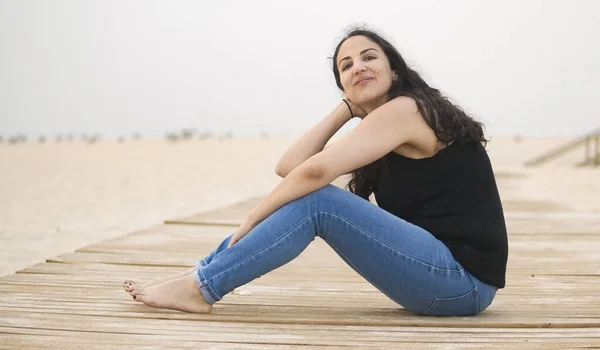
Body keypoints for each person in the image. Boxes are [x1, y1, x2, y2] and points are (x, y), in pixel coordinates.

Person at [123, 27, 508, 316]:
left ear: (395, 72)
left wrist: (252, 218)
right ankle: (198, 278)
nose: (358, 67)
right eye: (346, 66)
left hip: (462, 283)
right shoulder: (380, 129)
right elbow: (289, 167)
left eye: (369, 57)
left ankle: (200, 286)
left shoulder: (408, 110)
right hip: (440, 277)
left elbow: (311, 175)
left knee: (319, 202)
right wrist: (346, 109)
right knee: (313, 195)